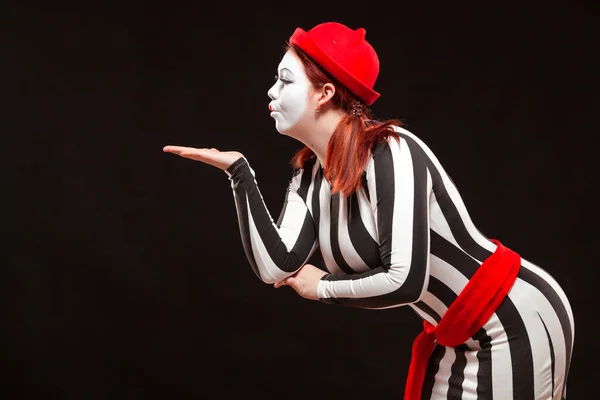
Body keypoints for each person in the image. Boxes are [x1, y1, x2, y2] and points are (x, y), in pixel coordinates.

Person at [163, 21, 574, 400]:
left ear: (324, 94)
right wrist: (239, 172)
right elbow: (277, 266)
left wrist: (322, 287)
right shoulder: (309, 175)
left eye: (285, 80)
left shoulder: (392, 151)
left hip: (511, 319)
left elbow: (405, 281)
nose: (271, 91)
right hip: (453, 334)